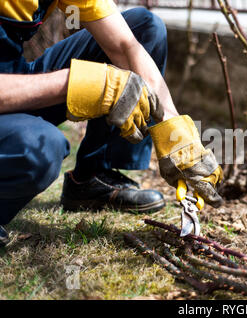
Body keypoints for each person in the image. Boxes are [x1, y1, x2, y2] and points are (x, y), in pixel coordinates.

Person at [0, 0, 223, 247]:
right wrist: (77, 83)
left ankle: (93, 180)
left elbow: (125, 45)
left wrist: (176, 134)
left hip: (12, 76)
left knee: (143, 28)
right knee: (35, 149)